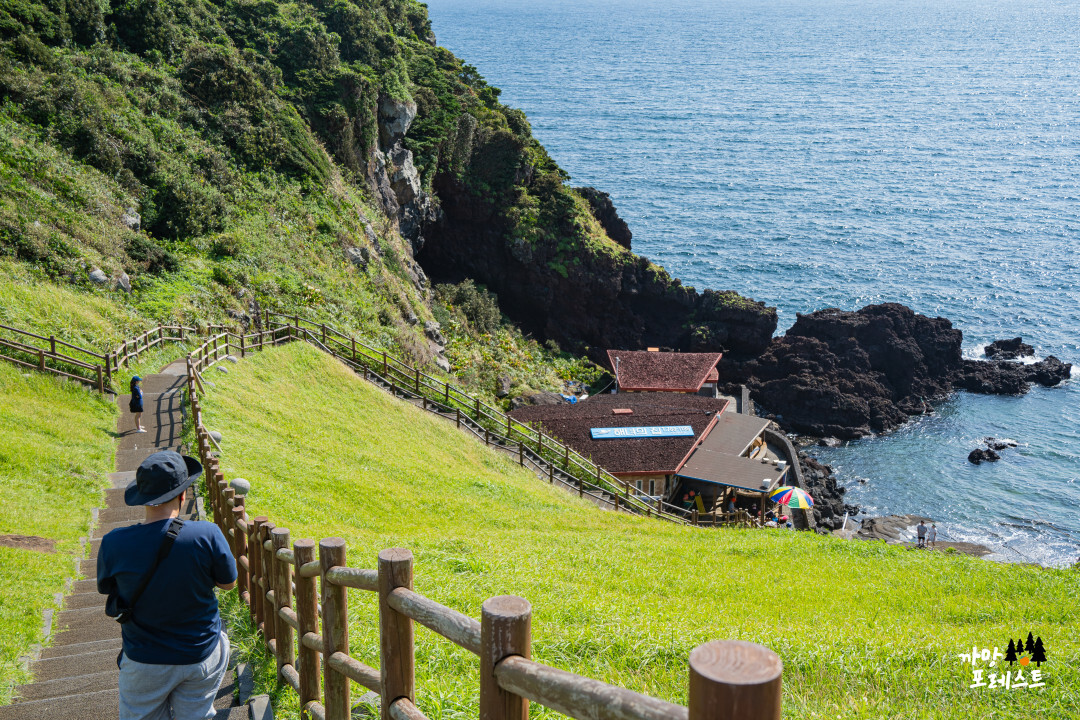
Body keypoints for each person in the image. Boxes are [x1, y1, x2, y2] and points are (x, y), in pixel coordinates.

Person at [98, 451, 237, 720]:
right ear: (183, 495)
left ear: (143, 497)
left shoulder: (113, 542)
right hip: (201, 652)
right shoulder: (206, 533)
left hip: (143, 660)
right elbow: (229, 583)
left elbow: (107, 588)